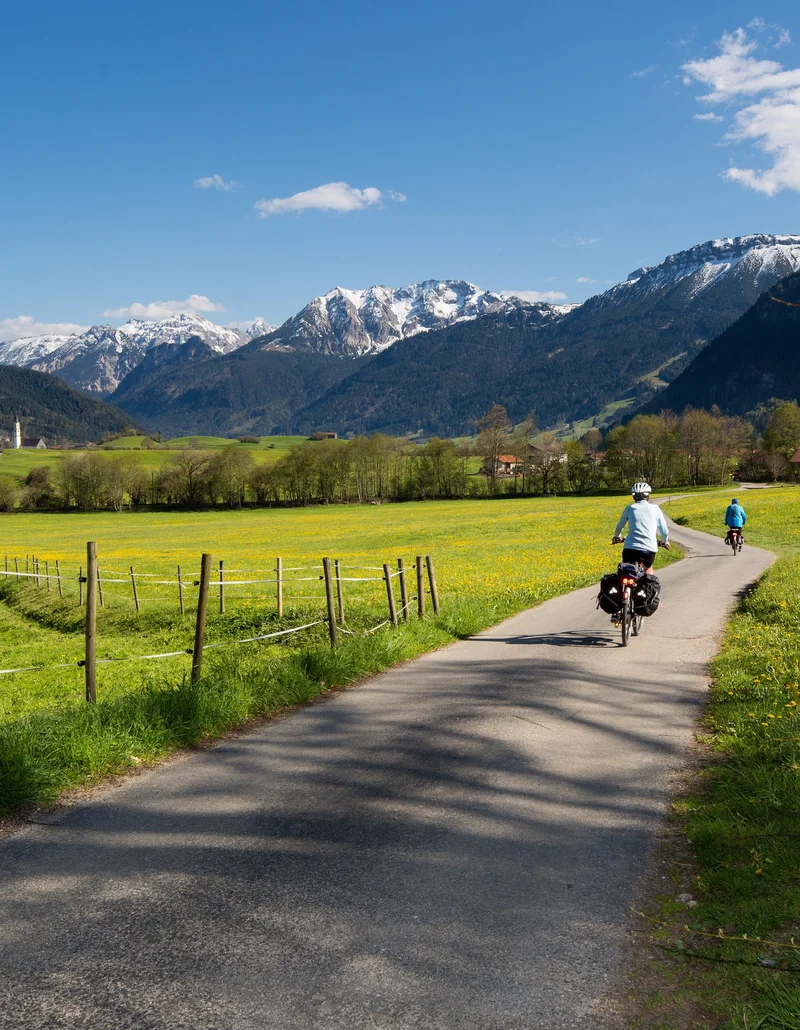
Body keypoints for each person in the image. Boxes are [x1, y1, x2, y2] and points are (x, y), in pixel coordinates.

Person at [612, 481, 670, 574]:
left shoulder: (629, 508)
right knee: (648, 568)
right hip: (648, 549)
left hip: (629, 549)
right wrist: (664, 542)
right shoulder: (655, 508)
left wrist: (617, 537)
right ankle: (647, 586)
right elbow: (664, 531)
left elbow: (619, 527)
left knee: (625, 569)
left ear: (633, 497)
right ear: (648, 496)